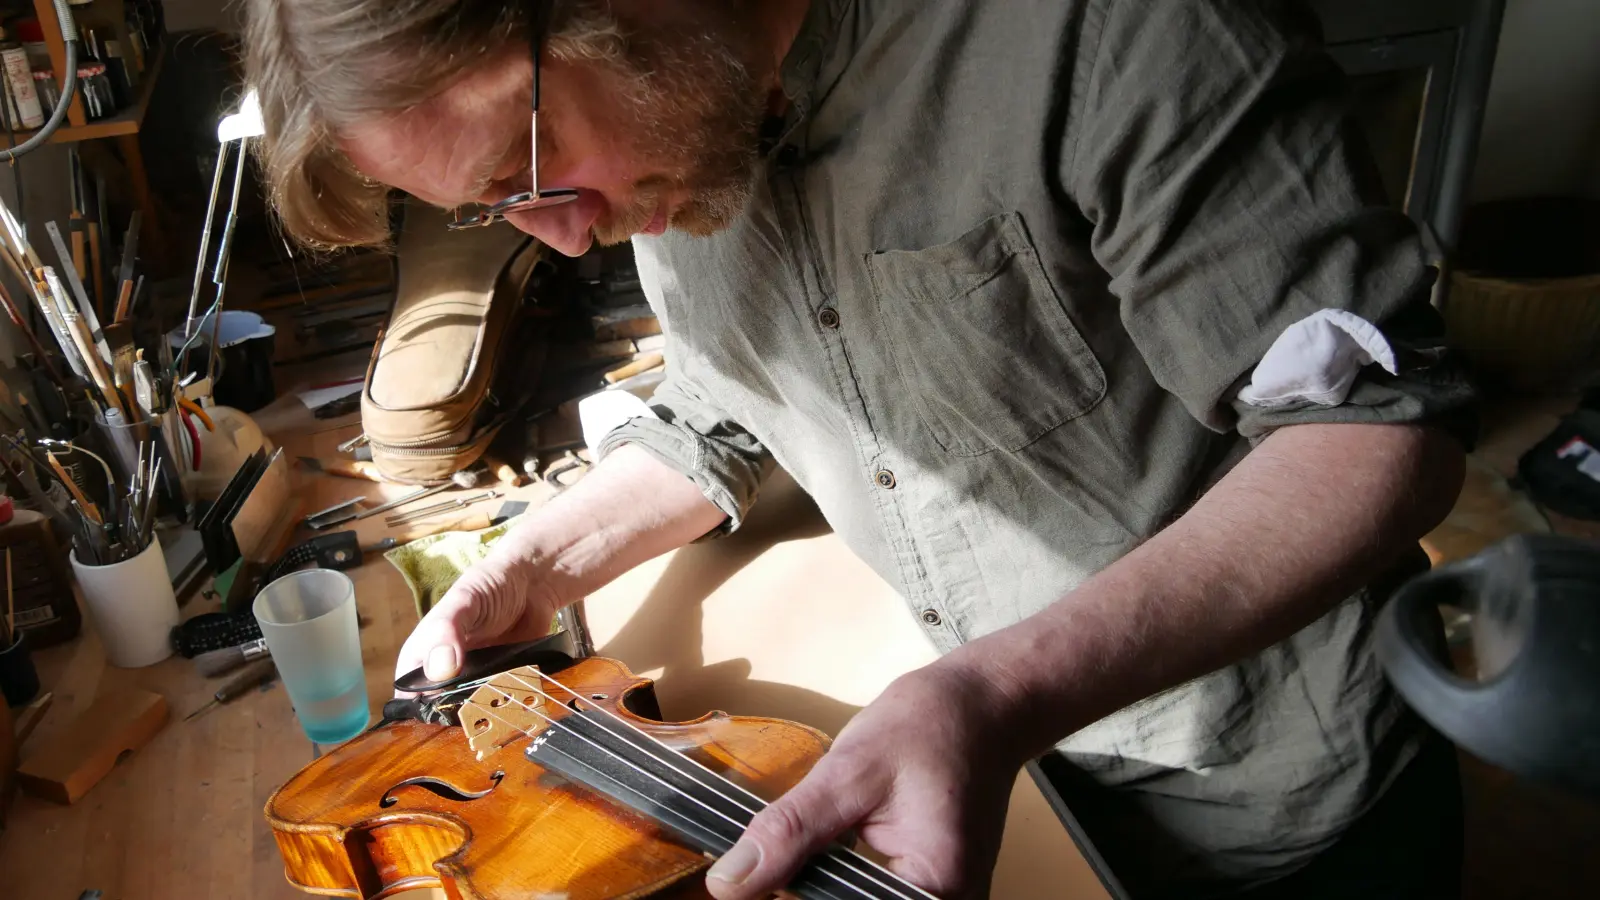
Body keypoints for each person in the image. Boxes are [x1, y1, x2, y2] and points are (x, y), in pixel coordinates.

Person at [243, 1, 1478, 897]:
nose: (564, 241)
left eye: (529, 163)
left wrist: (991, 693)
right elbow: (727, 400)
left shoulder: (1105, 30)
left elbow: (1372, 436)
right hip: (985, 780)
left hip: (1264, 807)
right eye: (493, 208)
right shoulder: (675, 109)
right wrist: (537, 558)